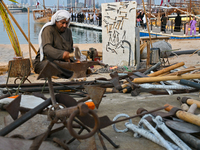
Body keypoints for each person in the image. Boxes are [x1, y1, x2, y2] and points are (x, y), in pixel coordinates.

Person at [33, 10, 74, 79]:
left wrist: (70, 58)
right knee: (52, 67)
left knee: (76, 65)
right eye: (62, 23)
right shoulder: (48, 30)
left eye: (66, 23)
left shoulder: (68, 32)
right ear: (56, 22)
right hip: (45, 62)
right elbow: (47, 49)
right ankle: (69, 74)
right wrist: (62, 54)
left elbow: (71, 49)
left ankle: (69, 73)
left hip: (61, 62)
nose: (65, 25)